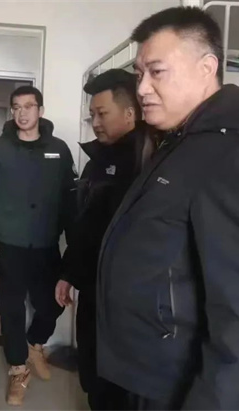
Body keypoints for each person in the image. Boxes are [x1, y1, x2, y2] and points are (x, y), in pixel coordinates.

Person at [96, 7, 239, 410]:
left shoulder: (235, 156)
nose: (142, 88)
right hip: (145, 373)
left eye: (157, 72)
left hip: (178, 388)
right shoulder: (181, 142)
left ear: (207, 68)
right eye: (139, 74)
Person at [54, 69, 153, 410]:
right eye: (92, 114)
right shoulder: (99, 161)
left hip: (127, 298)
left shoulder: (149, 162)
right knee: (93, 373)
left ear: (130, 113)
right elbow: (86, 224)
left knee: (116, 384)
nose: (95, 122)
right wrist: (69, 273)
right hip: (94, 289)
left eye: (102, 113)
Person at [0, 86, 77, 406]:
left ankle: (35, 344)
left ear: (40, 111)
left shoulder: (59, 149)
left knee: (54, 303)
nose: (22, 113)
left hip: (46, 243)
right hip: (10, 244)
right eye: (16, 107)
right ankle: (18, 369)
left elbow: (69, 200)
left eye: (28, 106)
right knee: (11, 309)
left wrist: (75, 243)